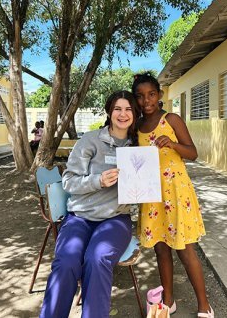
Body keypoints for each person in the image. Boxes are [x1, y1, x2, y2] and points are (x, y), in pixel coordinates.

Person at [39, 90, 140, 318]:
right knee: (66, 261)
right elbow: (68, 181)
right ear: (109, 111)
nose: (123, 114)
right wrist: (98, 180)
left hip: (115, 219)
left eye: (128, 109)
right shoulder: (90, 141)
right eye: (117, 109)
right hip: (80, 217)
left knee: (97, 258)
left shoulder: (139, 147)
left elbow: (147, 186)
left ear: (135, 113)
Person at [132, 73, 214, 318]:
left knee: (185, 249)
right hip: (151, 194)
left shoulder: (172, 119)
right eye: (140, 96)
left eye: (151, 94)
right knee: (160, 248)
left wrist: (173, 144)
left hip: (176, 193)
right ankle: (168, 301)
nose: (146, 101)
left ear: (160, 95)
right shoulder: (136, 127)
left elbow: (193, 153)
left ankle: (204, 305)